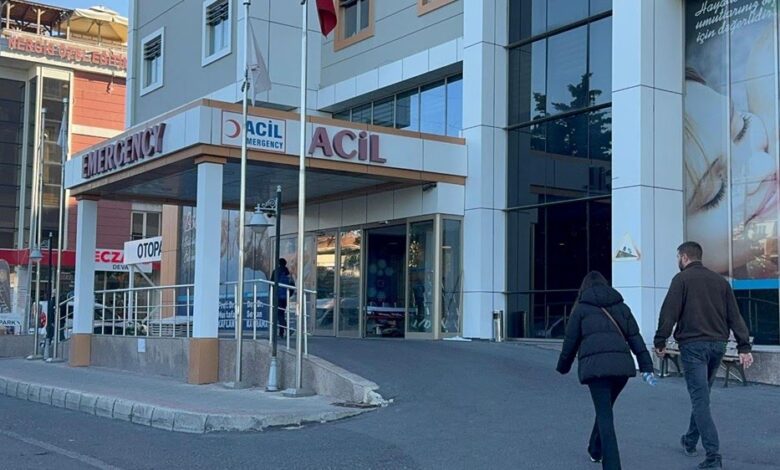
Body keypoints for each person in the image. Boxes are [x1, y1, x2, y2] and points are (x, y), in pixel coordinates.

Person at [654, 242, 753, 470]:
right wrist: (743, 346)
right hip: (718, 346)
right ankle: (690, 440)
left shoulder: (681, 280)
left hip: (693, 347)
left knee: (700, 399)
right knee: (702, 396)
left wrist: (660, 341)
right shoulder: (720, 281)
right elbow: (734, 315)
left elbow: (669, 313)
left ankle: (713, 456)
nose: (677, 261)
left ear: (684, 257)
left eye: (677, 257)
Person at [557, 271, 655, 470]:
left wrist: (563, 367)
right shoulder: (621, 307)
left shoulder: (581, 309)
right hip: (621, 370)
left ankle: (612, 466)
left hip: (596, 370)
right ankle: (595, 449)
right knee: (605, 410)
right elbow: (635, 337)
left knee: (605, 415)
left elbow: (570, 341)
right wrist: (646, 366)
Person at [271, 258, 294, 338]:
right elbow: (292, 285)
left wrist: (272, 294)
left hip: (278, 296)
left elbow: (271, 283)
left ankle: (287, 330)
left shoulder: (276, 272)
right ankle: (281, 332)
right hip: (285, 297)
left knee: (279, 314)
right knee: (281, 314)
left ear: (278, 263)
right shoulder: (288, 273)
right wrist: (288, 294)